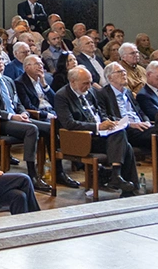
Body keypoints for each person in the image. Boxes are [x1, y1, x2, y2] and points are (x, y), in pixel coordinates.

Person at [0, 50, 51, 191]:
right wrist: (12, 116)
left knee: (49, 127)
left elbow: (17, 103)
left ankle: (57, 169)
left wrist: (23, 113)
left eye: (0, 59)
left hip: (16, 118)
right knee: (32, 129)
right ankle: (32, 174)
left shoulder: (8, 80)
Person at [53, 67, 139, 195]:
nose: (89, 86)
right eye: (85, 83)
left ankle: (118, 177)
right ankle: (126, 185)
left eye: (90, 82)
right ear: (72, 81)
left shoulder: (91, 91)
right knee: (126, 146)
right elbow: (69, 124)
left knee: (121, 135)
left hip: (101, 135)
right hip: (81, 138)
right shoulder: (62, 96)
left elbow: (100, 112)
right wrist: (98, 127)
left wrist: (108, 122)